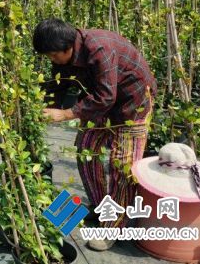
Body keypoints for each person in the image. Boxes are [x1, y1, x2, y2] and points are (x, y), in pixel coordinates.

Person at [33, 18, 157, 251]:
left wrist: (66, 114)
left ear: (67, 47)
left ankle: (114, 226)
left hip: (133, 103)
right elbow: (58, 86)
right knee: (86, 149)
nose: (51, 60)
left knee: (123, 164)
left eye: (52, 56)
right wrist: (43, 108)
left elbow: (106, 96)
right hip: (101, 102)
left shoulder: (98, 49)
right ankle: (102, 206)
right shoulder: (62, 56)